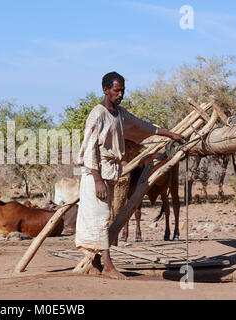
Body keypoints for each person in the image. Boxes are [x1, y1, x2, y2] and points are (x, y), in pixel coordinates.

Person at [75, 72, 184, 279]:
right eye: (117, 90)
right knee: (101, 217)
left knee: (103, 216)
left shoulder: (120, 114)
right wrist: (97, 179)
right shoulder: (97, 114)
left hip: (110, 172)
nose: (120, 94)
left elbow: (142, 126)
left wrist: (170, 134)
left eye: (123, 90)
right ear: (105, 90)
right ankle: (107, 265)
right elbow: (89, 149)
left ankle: (96, 264)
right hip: (95, 174)